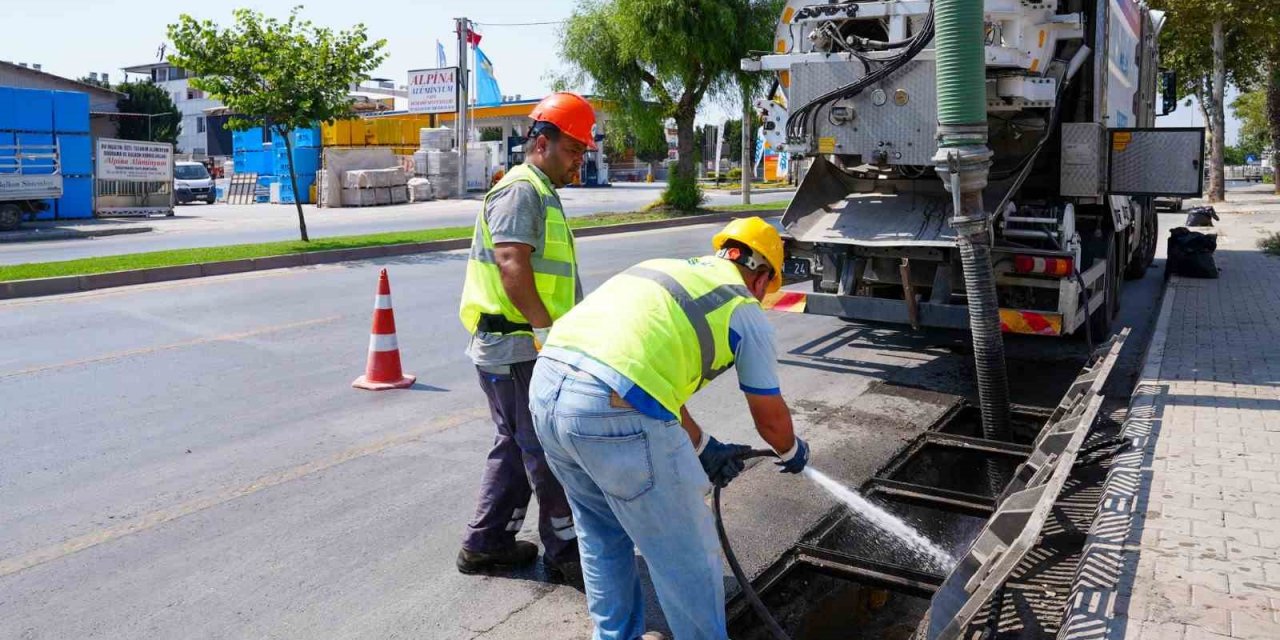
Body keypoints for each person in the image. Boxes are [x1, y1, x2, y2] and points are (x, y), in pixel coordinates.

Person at [529, 217, 811, 640]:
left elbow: (647, 374)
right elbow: (769, 418)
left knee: (602, 534)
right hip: (609, 408)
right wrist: (792, 451)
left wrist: (703, 446)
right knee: (688, 556)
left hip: (548, 388)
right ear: (763, 276)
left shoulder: (665, 270)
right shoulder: (742, 308)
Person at [456, 92, 597, 585]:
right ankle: (566, 553)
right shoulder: (522, 191)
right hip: (520, 345)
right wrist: (546, 333)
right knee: (547, 450)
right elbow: (512, 265)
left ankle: (487, 543)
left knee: (516, 447)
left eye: (583, 151)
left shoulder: (539, 189)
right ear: (542, 142)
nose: (580, 160)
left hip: (517, 345)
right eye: (574, 150)